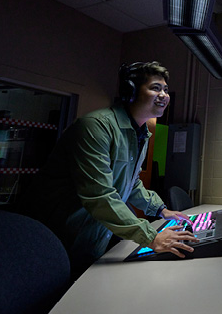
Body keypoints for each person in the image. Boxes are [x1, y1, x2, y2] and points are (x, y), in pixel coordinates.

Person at [19, 61, 198, 277]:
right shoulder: (95, 127)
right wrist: (151, 236)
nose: (164, 95)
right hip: (57, 240)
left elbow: (131, 183)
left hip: (92, 238)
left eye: (166, 90)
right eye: (155, 88)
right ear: (130, 92)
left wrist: (161, 210)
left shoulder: (140, 134)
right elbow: (100, 195)